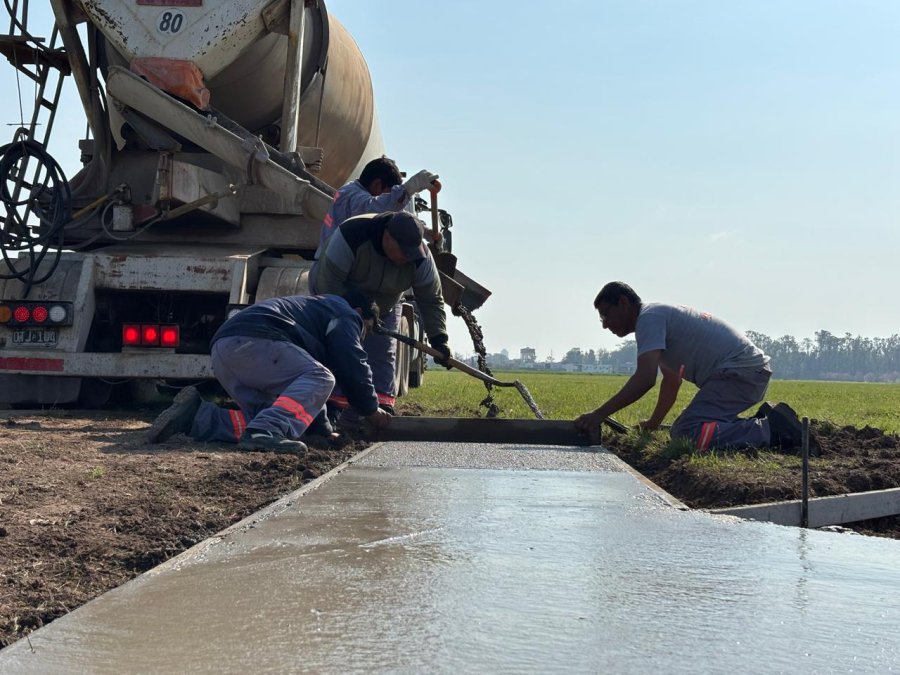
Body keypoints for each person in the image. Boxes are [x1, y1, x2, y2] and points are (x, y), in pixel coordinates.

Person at [574, 281, 808, 452]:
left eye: (606, 315)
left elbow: (645, 379)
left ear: (623, 303)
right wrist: (653, 423)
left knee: (687, 432)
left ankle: (772, 430)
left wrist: (599, 414)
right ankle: (764, 423)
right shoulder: (656, 317)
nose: (605, 325)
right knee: (689, 428)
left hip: (739, 374)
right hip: (745, 373)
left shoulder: (649, 319)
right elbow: (671, 381)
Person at [145, 293, 391, 453]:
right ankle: (263, 433)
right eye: (366, 329)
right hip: (255, 342)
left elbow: (307, 398)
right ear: (360, 313)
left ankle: (197, 416)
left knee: (275, 416)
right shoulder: (345, 312)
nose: (362, 335)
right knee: (322, 378)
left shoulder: (314, 313)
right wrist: (371, 410)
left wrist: (323, 432)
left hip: (225, 350)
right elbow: (351, 362)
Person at [309, 210, 451, 415]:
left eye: (411, 253)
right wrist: (357, 308)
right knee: (340, 345)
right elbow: (327, 286)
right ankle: (335, 407)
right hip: (340, 298)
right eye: (403, 251)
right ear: (387, 237)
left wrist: (439, 339)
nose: (407, 258)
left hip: (386, 303)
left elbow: (431, 299)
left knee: (383, 351)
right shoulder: (351, 235)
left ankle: (381, 409)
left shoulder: (421, 258)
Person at [315, 155, 439, 258]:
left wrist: (425, 231)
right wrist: (409, 189)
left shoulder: (353, 193)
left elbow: (393, 215)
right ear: (377, 185)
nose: (388, 200)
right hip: (331, 269)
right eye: (388, 194)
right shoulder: (351, 195)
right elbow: (376, 208)